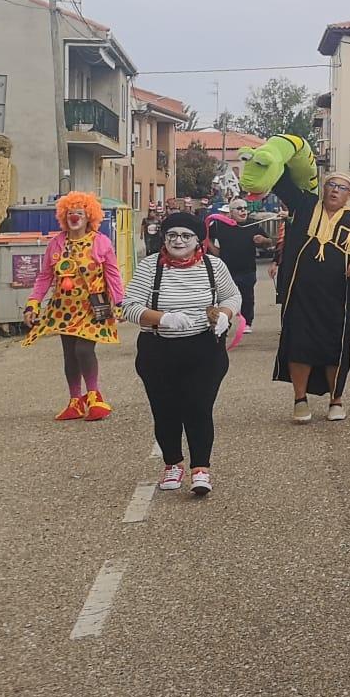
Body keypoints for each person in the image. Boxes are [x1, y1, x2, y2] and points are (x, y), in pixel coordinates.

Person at [242, 134, 350, 424]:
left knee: (335, 349)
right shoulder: (304, 205)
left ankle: (336, 399)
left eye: (342, 188)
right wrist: (274, 154)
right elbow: (282, 180)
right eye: (331, 185)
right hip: (300, 295)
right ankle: (299, 400)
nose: (335, 190)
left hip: (337, 300)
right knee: (299, 345)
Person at [121, 211, 239, 497]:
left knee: (199, 407)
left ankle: (201, 468)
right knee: (165, 410)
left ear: (198, 240)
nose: (178, 241)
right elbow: (129, 306)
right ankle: (172, 463)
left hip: (204, 349)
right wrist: (163, 318)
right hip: (158, 350)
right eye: (172, 235)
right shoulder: (150, 266)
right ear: (164, 238)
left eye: (186, 236)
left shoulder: (214, 266)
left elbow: (232, 296)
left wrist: (225, 314)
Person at [22, 192, 125, 421]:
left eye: (79, 213)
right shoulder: (57, 243)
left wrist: (120, 302)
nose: (74, 217)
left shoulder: (101, 242)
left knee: (83, 350)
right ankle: (75, 401)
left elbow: (113, 274)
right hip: (64, 308)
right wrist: (32, 304)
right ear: (63, 216)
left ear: (89, 216)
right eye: (70, 213)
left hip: (93, 307)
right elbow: (45, 277)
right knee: (69, 354)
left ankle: (94, 397)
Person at [205, 198, 270, 331]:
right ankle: (222, 322)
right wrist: (213, 249)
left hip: (247, 268)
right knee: (221, 298)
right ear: (231, 212)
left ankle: (247, 323)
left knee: (247, 297)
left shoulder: (253, 224)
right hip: (226, 270)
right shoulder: (219, 225)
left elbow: (269, 242)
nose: (243, 211)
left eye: (245, 208)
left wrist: (263, 240)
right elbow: (204, 235)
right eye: (239, 209)